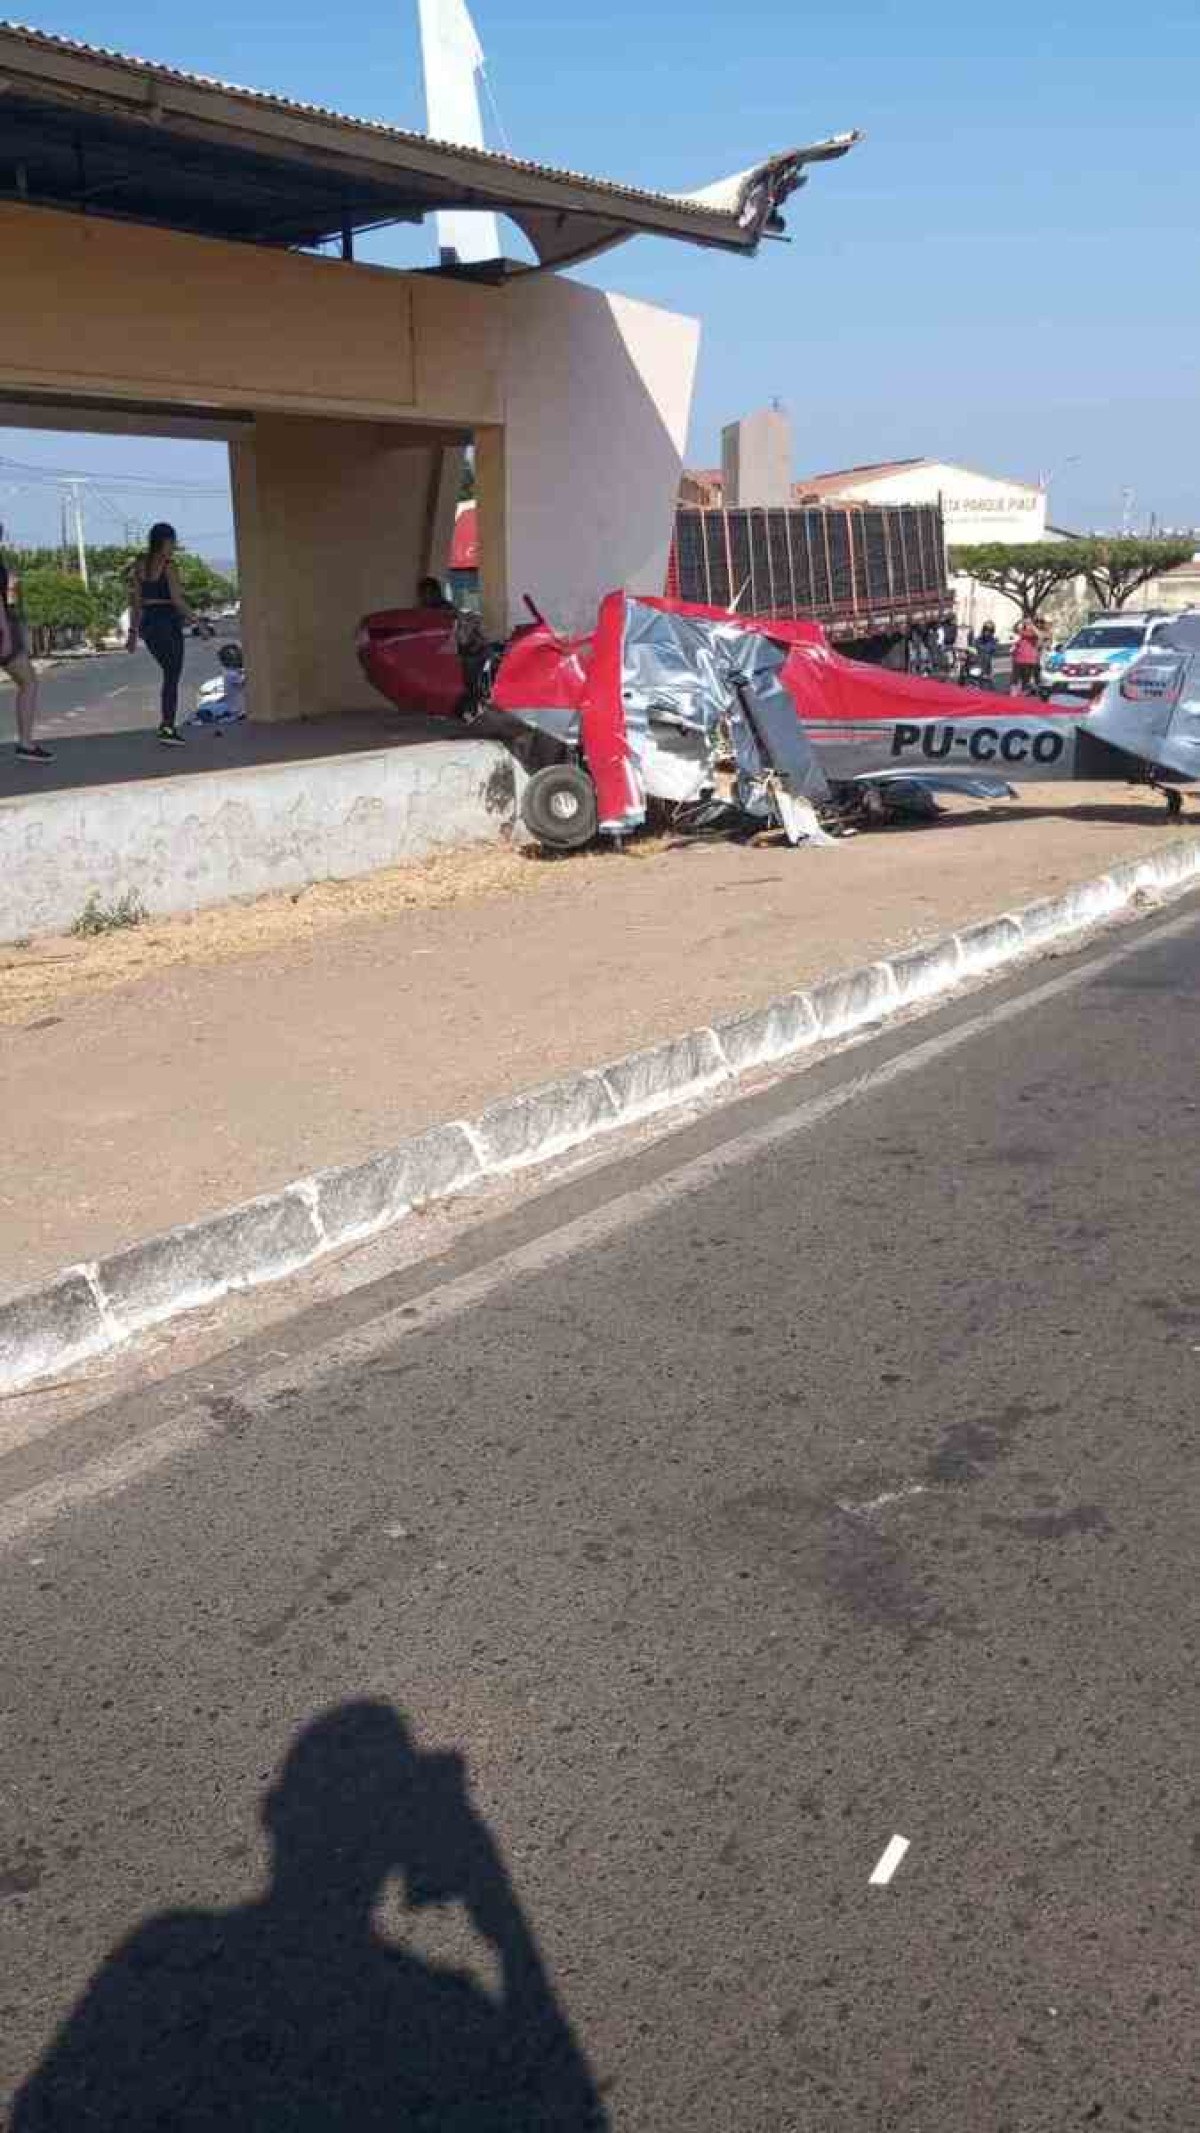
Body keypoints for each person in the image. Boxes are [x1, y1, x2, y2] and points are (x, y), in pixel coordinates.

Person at [127, 523, 209, 745]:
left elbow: (136, 602)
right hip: (167, 621)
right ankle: (167, 727)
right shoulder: (169, 566)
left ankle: (167, 724)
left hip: (148, 625)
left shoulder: (139, 564)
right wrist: (199, 623)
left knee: (169, 673)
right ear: (164, 542)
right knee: (172, 675)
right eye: (172, 542)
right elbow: (177, 600)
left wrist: (133, 633)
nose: (174, 546)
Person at [0, 524, 52, 763]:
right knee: (28, 682)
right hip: (3, 631)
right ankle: (25, 743)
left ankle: (26, 743)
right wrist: (6, 633)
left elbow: (8, 599)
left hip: (7, 626)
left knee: (28, 681)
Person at [1010, 616, 1042, 696]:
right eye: (1026, 624)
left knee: (1026, 679)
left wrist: (1031, 624)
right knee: (1015, 677)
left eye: (1028, 623)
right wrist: (1020, 621)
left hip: (1029, 660)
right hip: (1019, 659)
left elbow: (1040, 635)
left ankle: (1024, 693)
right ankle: (1014, 693)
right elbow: (1014, 628)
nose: (1027, 625)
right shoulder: (1022, 632)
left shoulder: (1035, 633)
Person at [975, 618, 998, 688]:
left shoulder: (992, 641)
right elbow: (974, 647)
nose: (987, 632)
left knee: (988, 679)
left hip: (988, 664)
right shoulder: (979, 639)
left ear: (992, 632)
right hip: (978, 662)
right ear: (983, 630)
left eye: (990, 631)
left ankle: (989, 685)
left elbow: (992, 649)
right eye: (986, 630)